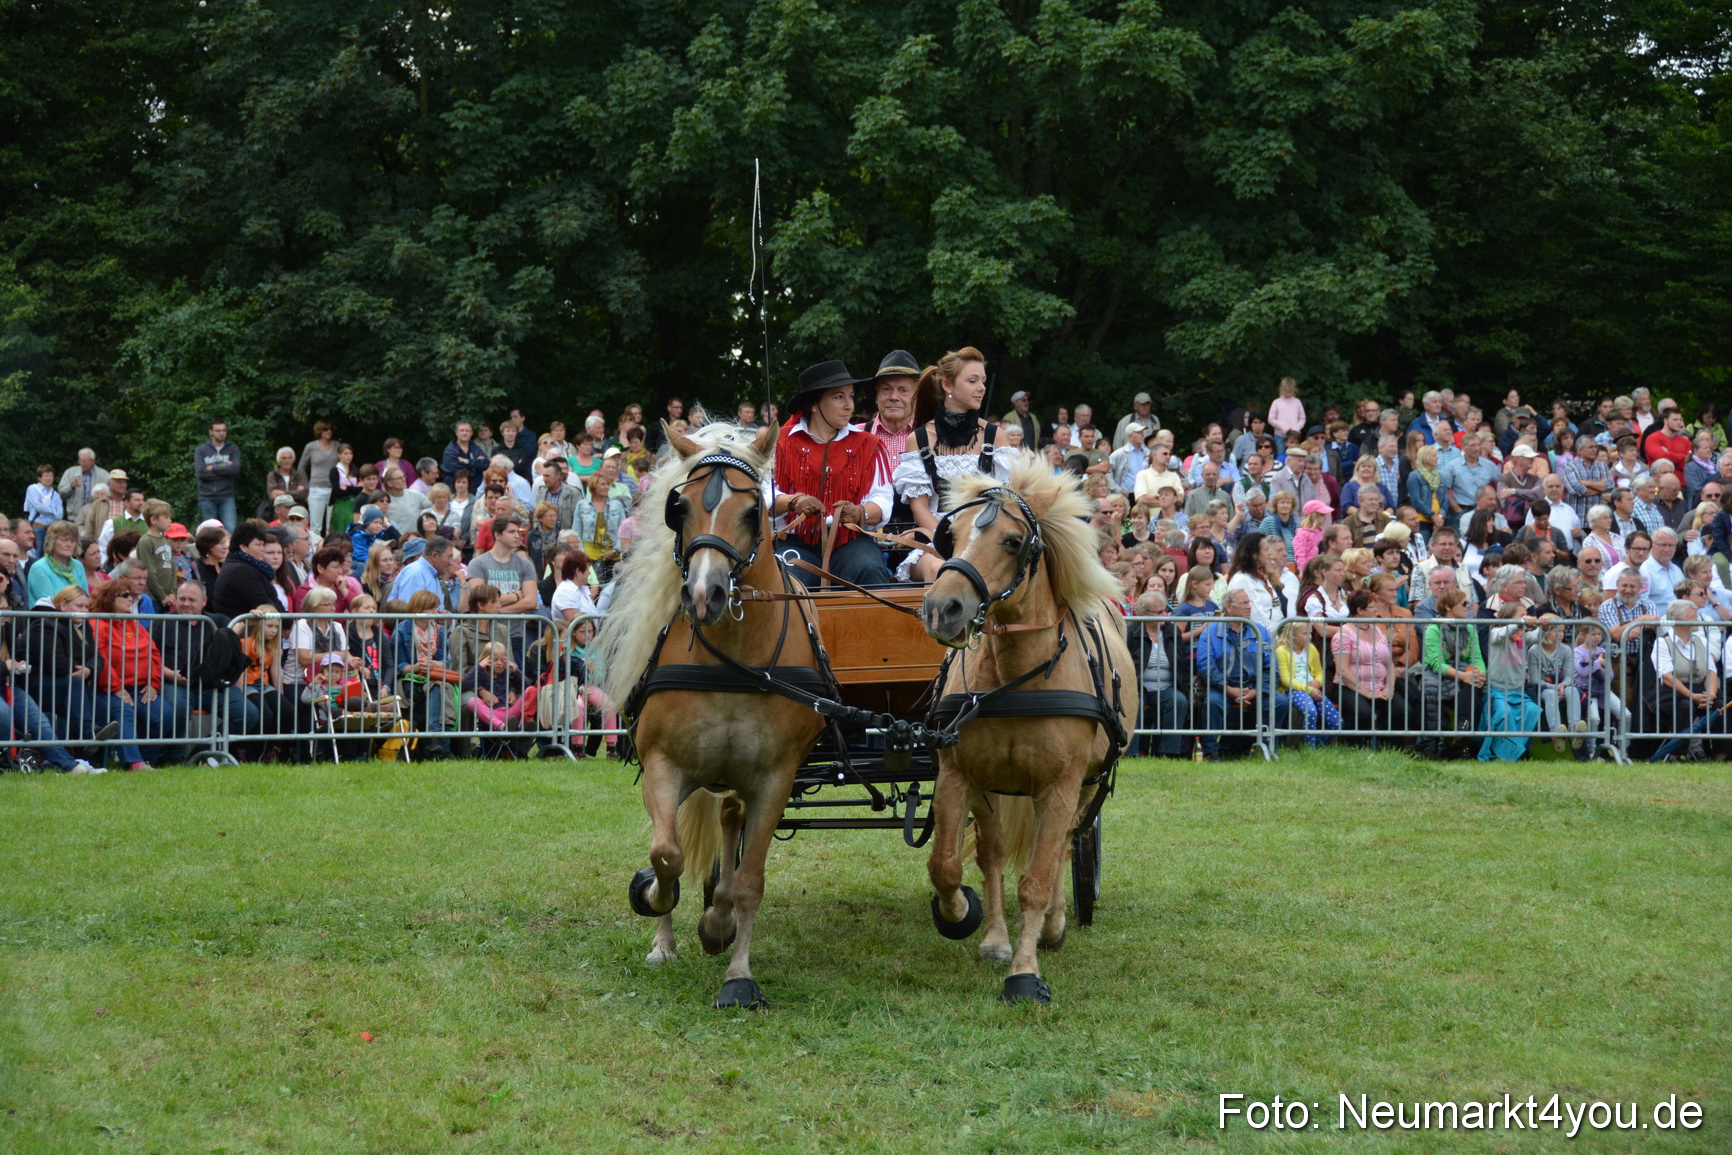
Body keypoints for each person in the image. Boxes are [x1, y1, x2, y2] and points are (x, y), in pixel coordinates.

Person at [89, 578, 186, 769]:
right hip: (106, 690)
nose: (131, 599)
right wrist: (116, 687)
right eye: (125, 595)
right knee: (123, 711)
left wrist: (153, 683)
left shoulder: (133, 624)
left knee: (164, 714)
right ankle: (134, 762)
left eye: (131, 595)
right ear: (109, 599)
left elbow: (154, 654)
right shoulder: (97, 624)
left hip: (140, 687)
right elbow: (101, 659)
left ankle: (146, 760)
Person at [1276, 619, 1341, 747]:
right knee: (1310, 711)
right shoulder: (1281, 651)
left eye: (1310, 633)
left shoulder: (1311, 648)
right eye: (1305, 634)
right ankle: (1310, 748)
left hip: (1313, 689)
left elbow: (1319, 671)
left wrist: (1318, 682)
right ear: (1292, 635)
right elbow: (1285, 680)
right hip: (1293, 690)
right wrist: (1309, 690)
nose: (1310, 637)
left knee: (1337, 722)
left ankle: (1318, 744)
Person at [211, 522, 285, 619]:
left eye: (263, 545)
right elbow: (263, 603)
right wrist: (287, 622)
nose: (262, 549)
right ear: (243, 547)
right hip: (243, 630)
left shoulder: (246, 566)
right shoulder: (241, 571)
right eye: (258, 545)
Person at [192, 419, 241, 530]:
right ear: (211, 432)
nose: (221, 433)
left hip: (227, 496)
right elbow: (201, 473)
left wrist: (213, 467)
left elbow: (234, 470)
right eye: (218, 430)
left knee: (231, 529)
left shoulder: (232, 449)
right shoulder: (201, 450)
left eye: (224, 430)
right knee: (210, 532)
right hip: (206, 497)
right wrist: (225, 468)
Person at [299, 421, 342, 535]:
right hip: (316, 489)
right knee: (316, 525)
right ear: (319, 431)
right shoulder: (311, 447)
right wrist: (307, 487)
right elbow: (301, 468)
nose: (329, 431)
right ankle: (314, 549)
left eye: (330, 429)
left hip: (334, 489)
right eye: (325, 429)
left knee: (331, 525)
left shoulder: (337, 445)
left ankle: (331, 549)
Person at [441, 420, 490, 489]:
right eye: (461, 430)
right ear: (456, 433)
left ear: (471, 433)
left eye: (467, 431)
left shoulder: (475, 448)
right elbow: (455, 469)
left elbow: (485, 464)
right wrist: (475, 467)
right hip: (454, 491)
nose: (464, 433)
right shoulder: (450, 451)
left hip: (474, 490)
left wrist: (467, 461)